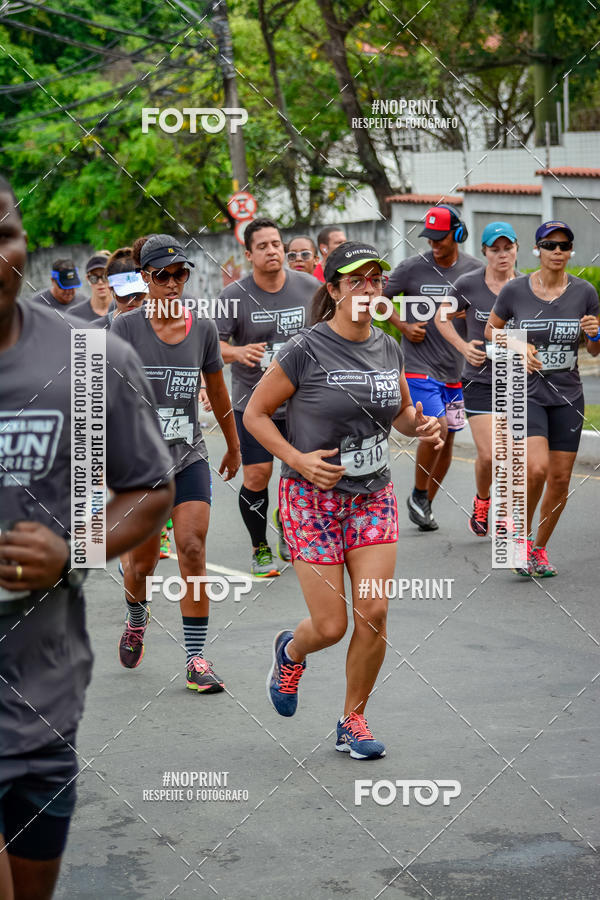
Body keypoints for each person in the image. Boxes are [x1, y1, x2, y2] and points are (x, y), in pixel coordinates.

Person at [0, 175, 174, 900]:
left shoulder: (89, 360)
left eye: (2, 235)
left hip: (40, 693)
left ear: (24, 245)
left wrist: (73, 550)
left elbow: (149, 487)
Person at [244, 242, 443, 759]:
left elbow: (401, 414)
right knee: (331, 626)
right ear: (332, 290)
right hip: (311, 499)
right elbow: (256, 415)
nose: (368, 288)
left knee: (373, 610)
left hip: (372, 495)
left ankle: (352, 719)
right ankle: (291, 651)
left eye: (375, 280)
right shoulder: (303, 349)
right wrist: (298, 458)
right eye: (356, 280)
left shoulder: (387, 346)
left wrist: (421, 426)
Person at [111, 234, 241, 690]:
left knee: (191, 549)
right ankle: (135, 617)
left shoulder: (203, 329)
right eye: (162, 276)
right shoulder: (124, 329)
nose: (172, 283)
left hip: (189, 457)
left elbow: (219, 391)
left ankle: (196, 659)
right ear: (145, 278)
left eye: (180, 274)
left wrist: (234, 442)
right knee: (142, 567)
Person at [486, 220, 600, 576]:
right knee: (535, 469)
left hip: (568, 396)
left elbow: (594, 352)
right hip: (527, 393)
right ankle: (518, 536)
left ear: (570, 251)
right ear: (537, 250)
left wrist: (596, 335)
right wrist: (518, 345)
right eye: (549, 245)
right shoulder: (516, 290)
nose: (557, 252)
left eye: (564, 246)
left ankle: (538, 549)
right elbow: (491, 331)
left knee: (561, 479)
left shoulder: (584, 293)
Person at [216, 218, 316, 576]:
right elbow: (214, 346)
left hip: (303, 401)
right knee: (257, 475)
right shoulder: (233, 297)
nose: (273, 250)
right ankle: (260, 547)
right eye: (263, 246)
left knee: (300, 474)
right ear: (248, 254)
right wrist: (238, 352)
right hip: (255, 404)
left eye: (276, 244)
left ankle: (289, 528)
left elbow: (329, 333)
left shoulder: (309, 287)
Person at [381, 204, 483, 531]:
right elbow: (378, 298)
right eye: (430, 239)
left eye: (440, 238)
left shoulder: (475, 272)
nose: (434, 244)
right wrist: (401, 325)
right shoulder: (412, 269)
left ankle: (423, 503)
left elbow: (495, 309)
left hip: (456, 371)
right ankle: (417, 493)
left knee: (449, 438)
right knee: (435, 426)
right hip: (417, 364)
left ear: (458, 234)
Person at [435, 222, 521, 536]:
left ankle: (505, 514)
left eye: (507, 248)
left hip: (517, 383)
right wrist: (462, 346)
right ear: (484, 252)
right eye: (494, 249)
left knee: (512, 453)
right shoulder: (469, 283)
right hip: (479, 382)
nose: (502, 254)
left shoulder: (527, 287)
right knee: (489, 454)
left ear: (516, 249)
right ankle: (483, 500)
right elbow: (441, 316)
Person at [69, 252, 113, 322]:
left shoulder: (124, 310)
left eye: (105, 276)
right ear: (87, 278)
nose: (100, 282)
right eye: (94, 278)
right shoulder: (74, 315)